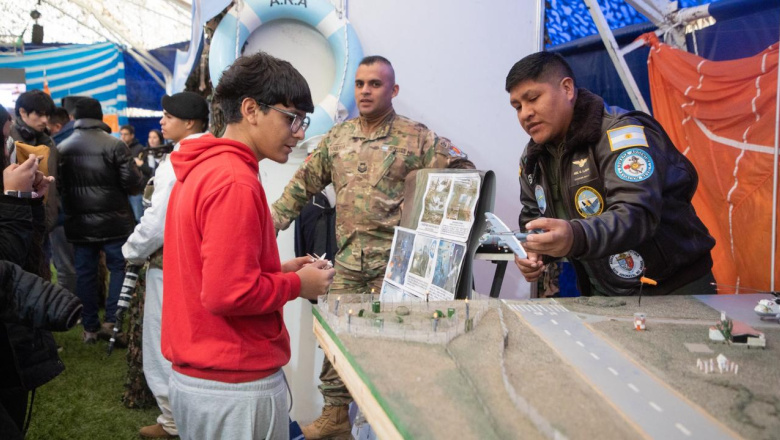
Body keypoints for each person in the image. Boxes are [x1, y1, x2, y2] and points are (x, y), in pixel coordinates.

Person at [271, 55, 474, 439]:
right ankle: (335, 418)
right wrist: (263, 228)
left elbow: (463, 173)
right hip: (347, 261)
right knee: (336, 339)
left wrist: (435, 219)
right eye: (360, 83)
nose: (365, 90)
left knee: (391, 345)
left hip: (397, 266)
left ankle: (387, 422)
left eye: (375, 84)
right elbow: (300, 187)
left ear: (393, 90)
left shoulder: (417, 137)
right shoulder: (338, 138)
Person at [162, 52, 335, 440]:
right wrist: (296, 286)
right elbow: (227, 294)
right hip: (233, 383)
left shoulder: (202, 169)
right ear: (251, 109)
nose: (298, 132)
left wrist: (280, 271)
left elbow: (213, 272)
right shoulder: (235, 182)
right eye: (292, 118)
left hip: (206, 372)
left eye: (302, 121)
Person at [506, 52, 716, 296]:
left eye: (533, 98)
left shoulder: (621, 135)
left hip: (675, 288)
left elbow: (636, 214)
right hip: (604, 293)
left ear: (567, 89)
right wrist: (533, 250)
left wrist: (575, 236)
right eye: (517, 106)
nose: (525, 113)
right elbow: (533, 215)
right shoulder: (533, 158)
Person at [122, 91, 210, 439]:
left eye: (168, 116)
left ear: (189, 122)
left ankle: (173, 421)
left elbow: (157, 221)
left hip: (167, 261)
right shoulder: (213, 152)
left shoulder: (181, 159)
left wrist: (132, 250)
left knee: (163, 340)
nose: (161, 121)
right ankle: (182, 419)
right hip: (198, 261)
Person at [57, 98, 145, 343]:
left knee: (85, 272)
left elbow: (60, 186)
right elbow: (134, 184)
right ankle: (112, 322)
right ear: (100, 117)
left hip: (79, 224)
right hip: (114, 221)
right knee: (118, 267)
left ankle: (89, 328)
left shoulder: (62, 148)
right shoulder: (115, 145)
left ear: (75, 118)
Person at [121, 124, 152, 222]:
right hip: (124, 189)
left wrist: (138, 164)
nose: (123, 137)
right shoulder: (120, 148)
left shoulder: (140, 149)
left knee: (139, 218)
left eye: (126, 134)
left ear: (132, 135)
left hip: (136, 190)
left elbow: (148, 170)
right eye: (121, 134)